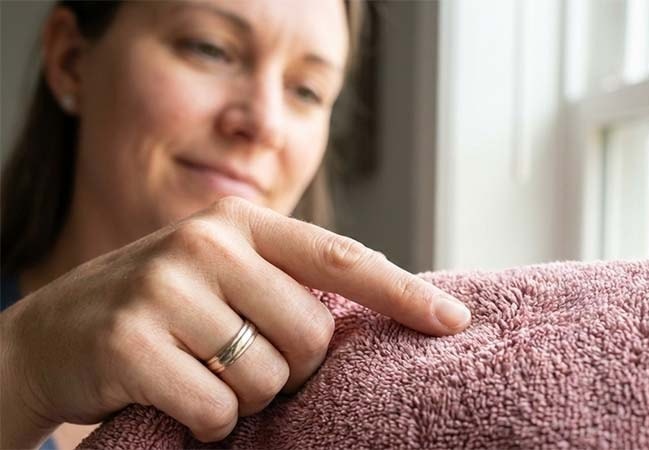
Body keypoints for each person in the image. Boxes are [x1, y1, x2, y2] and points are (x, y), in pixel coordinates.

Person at [0, 1, 472, 448]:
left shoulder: (352, 393)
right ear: (71, 61)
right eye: (211, 48)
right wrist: (22, 367)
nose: (265, 123)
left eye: (307, 90)